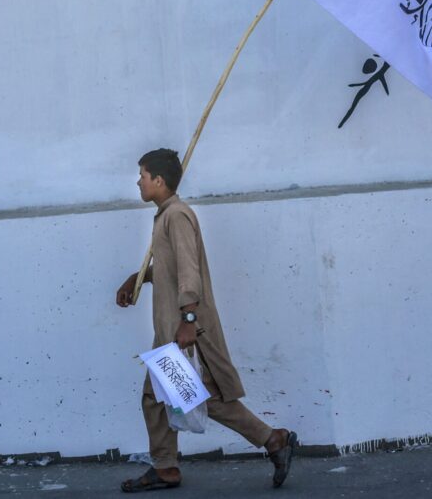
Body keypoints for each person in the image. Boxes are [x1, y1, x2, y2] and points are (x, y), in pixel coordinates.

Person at [115, 148, 297, 491]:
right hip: (171, 329)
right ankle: (171, 465)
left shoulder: (177, 215)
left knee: (194, 398)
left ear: (159, 180)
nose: (138, 181)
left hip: (182, 327)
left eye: (142, 174)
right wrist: (137, 277)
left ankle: (273, 440)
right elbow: (170, 267)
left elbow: (189, 272)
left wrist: (187, 318)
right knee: (161, 396)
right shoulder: (165, 216)